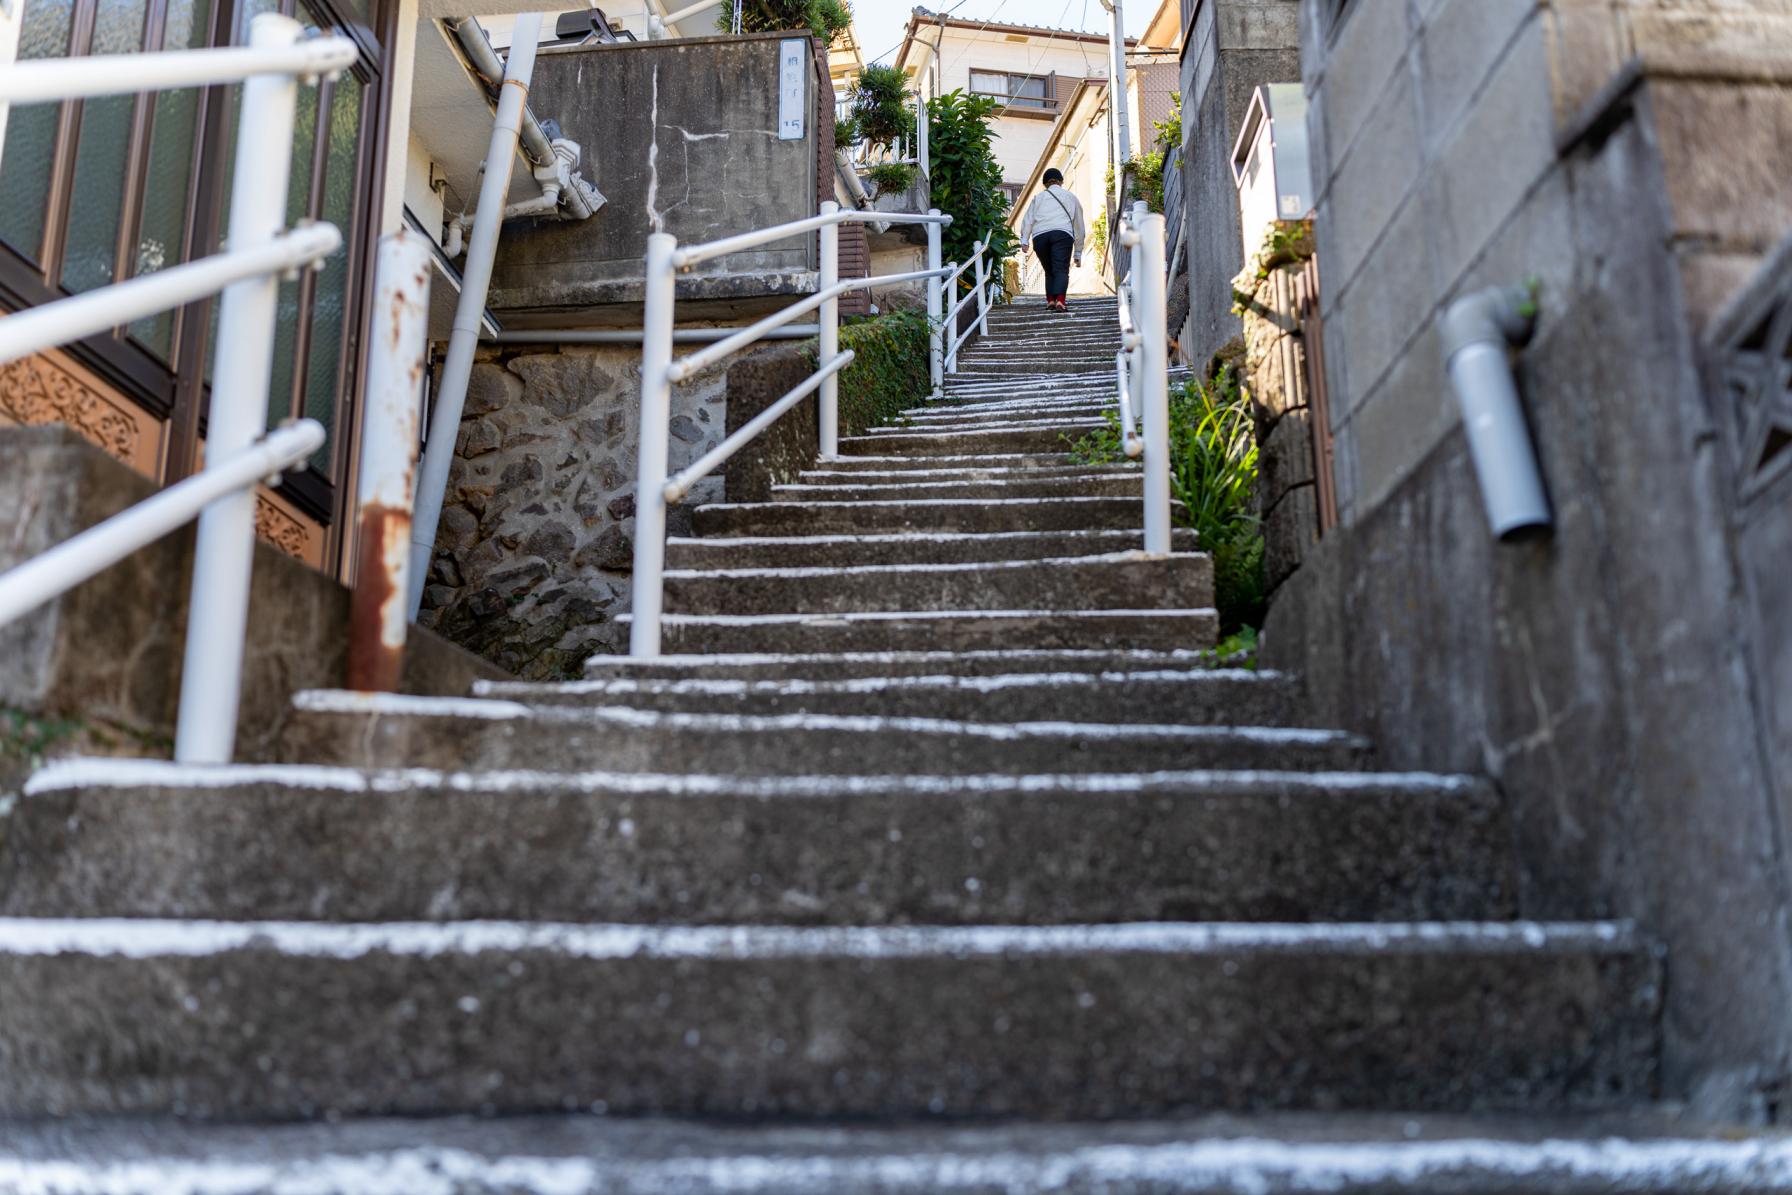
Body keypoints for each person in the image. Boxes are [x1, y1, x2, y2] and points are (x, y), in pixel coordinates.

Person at [1018, 168, 1085, 312]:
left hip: (1040, 237)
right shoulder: (1070, 197)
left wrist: (1024, 240)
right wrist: (1078, 251)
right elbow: (1079, 225)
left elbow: (1028, 220)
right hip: (1062, 234)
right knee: (1060, 268)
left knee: (1049, 270)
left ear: (1045, 184)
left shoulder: (1038, 198)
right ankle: (1060, 301)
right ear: (1061, 181)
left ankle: (1050, 301)